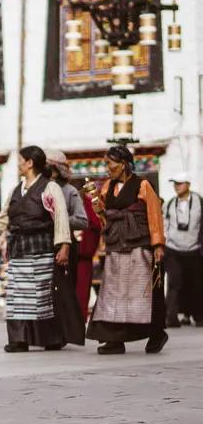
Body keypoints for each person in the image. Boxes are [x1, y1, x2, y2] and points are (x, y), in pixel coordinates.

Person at [0, 146, 73, 352]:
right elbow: (3, 219)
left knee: (42, 296)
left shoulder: (50, 188)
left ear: (30, 163)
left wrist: (64, 246)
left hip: (41, 248)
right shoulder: (17, 189)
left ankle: (50, 339)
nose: (19, 165)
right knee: (15, 296)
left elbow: (60, 219)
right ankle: (18, 339)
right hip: (18, 249)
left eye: (21, 161)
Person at [86, 146, 167, 354]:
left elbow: (154, 214)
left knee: (142, 293)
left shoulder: (143, 185)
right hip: (116, 246)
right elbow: (106, 219)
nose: (107, 168)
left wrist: (158, 244)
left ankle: (156, 333)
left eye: (109, 164)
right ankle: (114, 339)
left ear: (123, 165)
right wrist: (98, 208)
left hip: (139, 245)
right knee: (113, 294)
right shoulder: (106, 187)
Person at [163, 172, 203, 327]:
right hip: (173, 249)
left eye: (179, 183)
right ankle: (171, 318)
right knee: (174, 283)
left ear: (188, 184)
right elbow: (164, 225)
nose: (176, 186)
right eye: (175, 183)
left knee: (196, 284)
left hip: (194, 249)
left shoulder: (199, 201)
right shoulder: (169, 203)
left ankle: (198, 316)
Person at [71, 177, 103, 320]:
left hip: (84, 257)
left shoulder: (90, 205)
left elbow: (98, 224)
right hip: (67, 256)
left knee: (82, 293)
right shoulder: (65, 205)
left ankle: (79, 321)